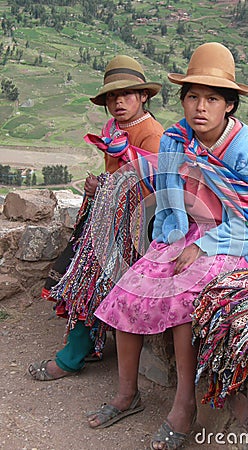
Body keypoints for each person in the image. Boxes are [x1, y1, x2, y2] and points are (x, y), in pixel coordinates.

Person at [85, 42, 248, 449]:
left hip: (236, 242)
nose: (200, 107)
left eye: (211, 98)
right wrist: (164, 242)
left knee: (183, 299)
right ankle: (128, 394)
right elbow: (167, 194)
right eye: (192, 96)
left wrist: (207, 244)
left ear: (229, 105)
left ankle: (184, 407)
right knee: (130, 287)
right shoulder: (177, 138)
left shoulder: (247, 149)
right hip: (184, 233)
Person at [28, 54, 164, 381]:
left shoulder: (151, 133)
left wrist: (105, 186)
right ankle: (87, 347)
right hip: (107, 221)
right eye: (112, 96)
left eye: (127, 94)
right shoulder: (115, 129)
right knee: (79, 279)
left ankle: (70, 358)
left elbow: (154, 186)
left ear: (144, 95)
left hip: (131, 229)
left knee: (87, 285)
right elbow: (119, 174)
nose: (119, 101)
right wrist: (100, 186)